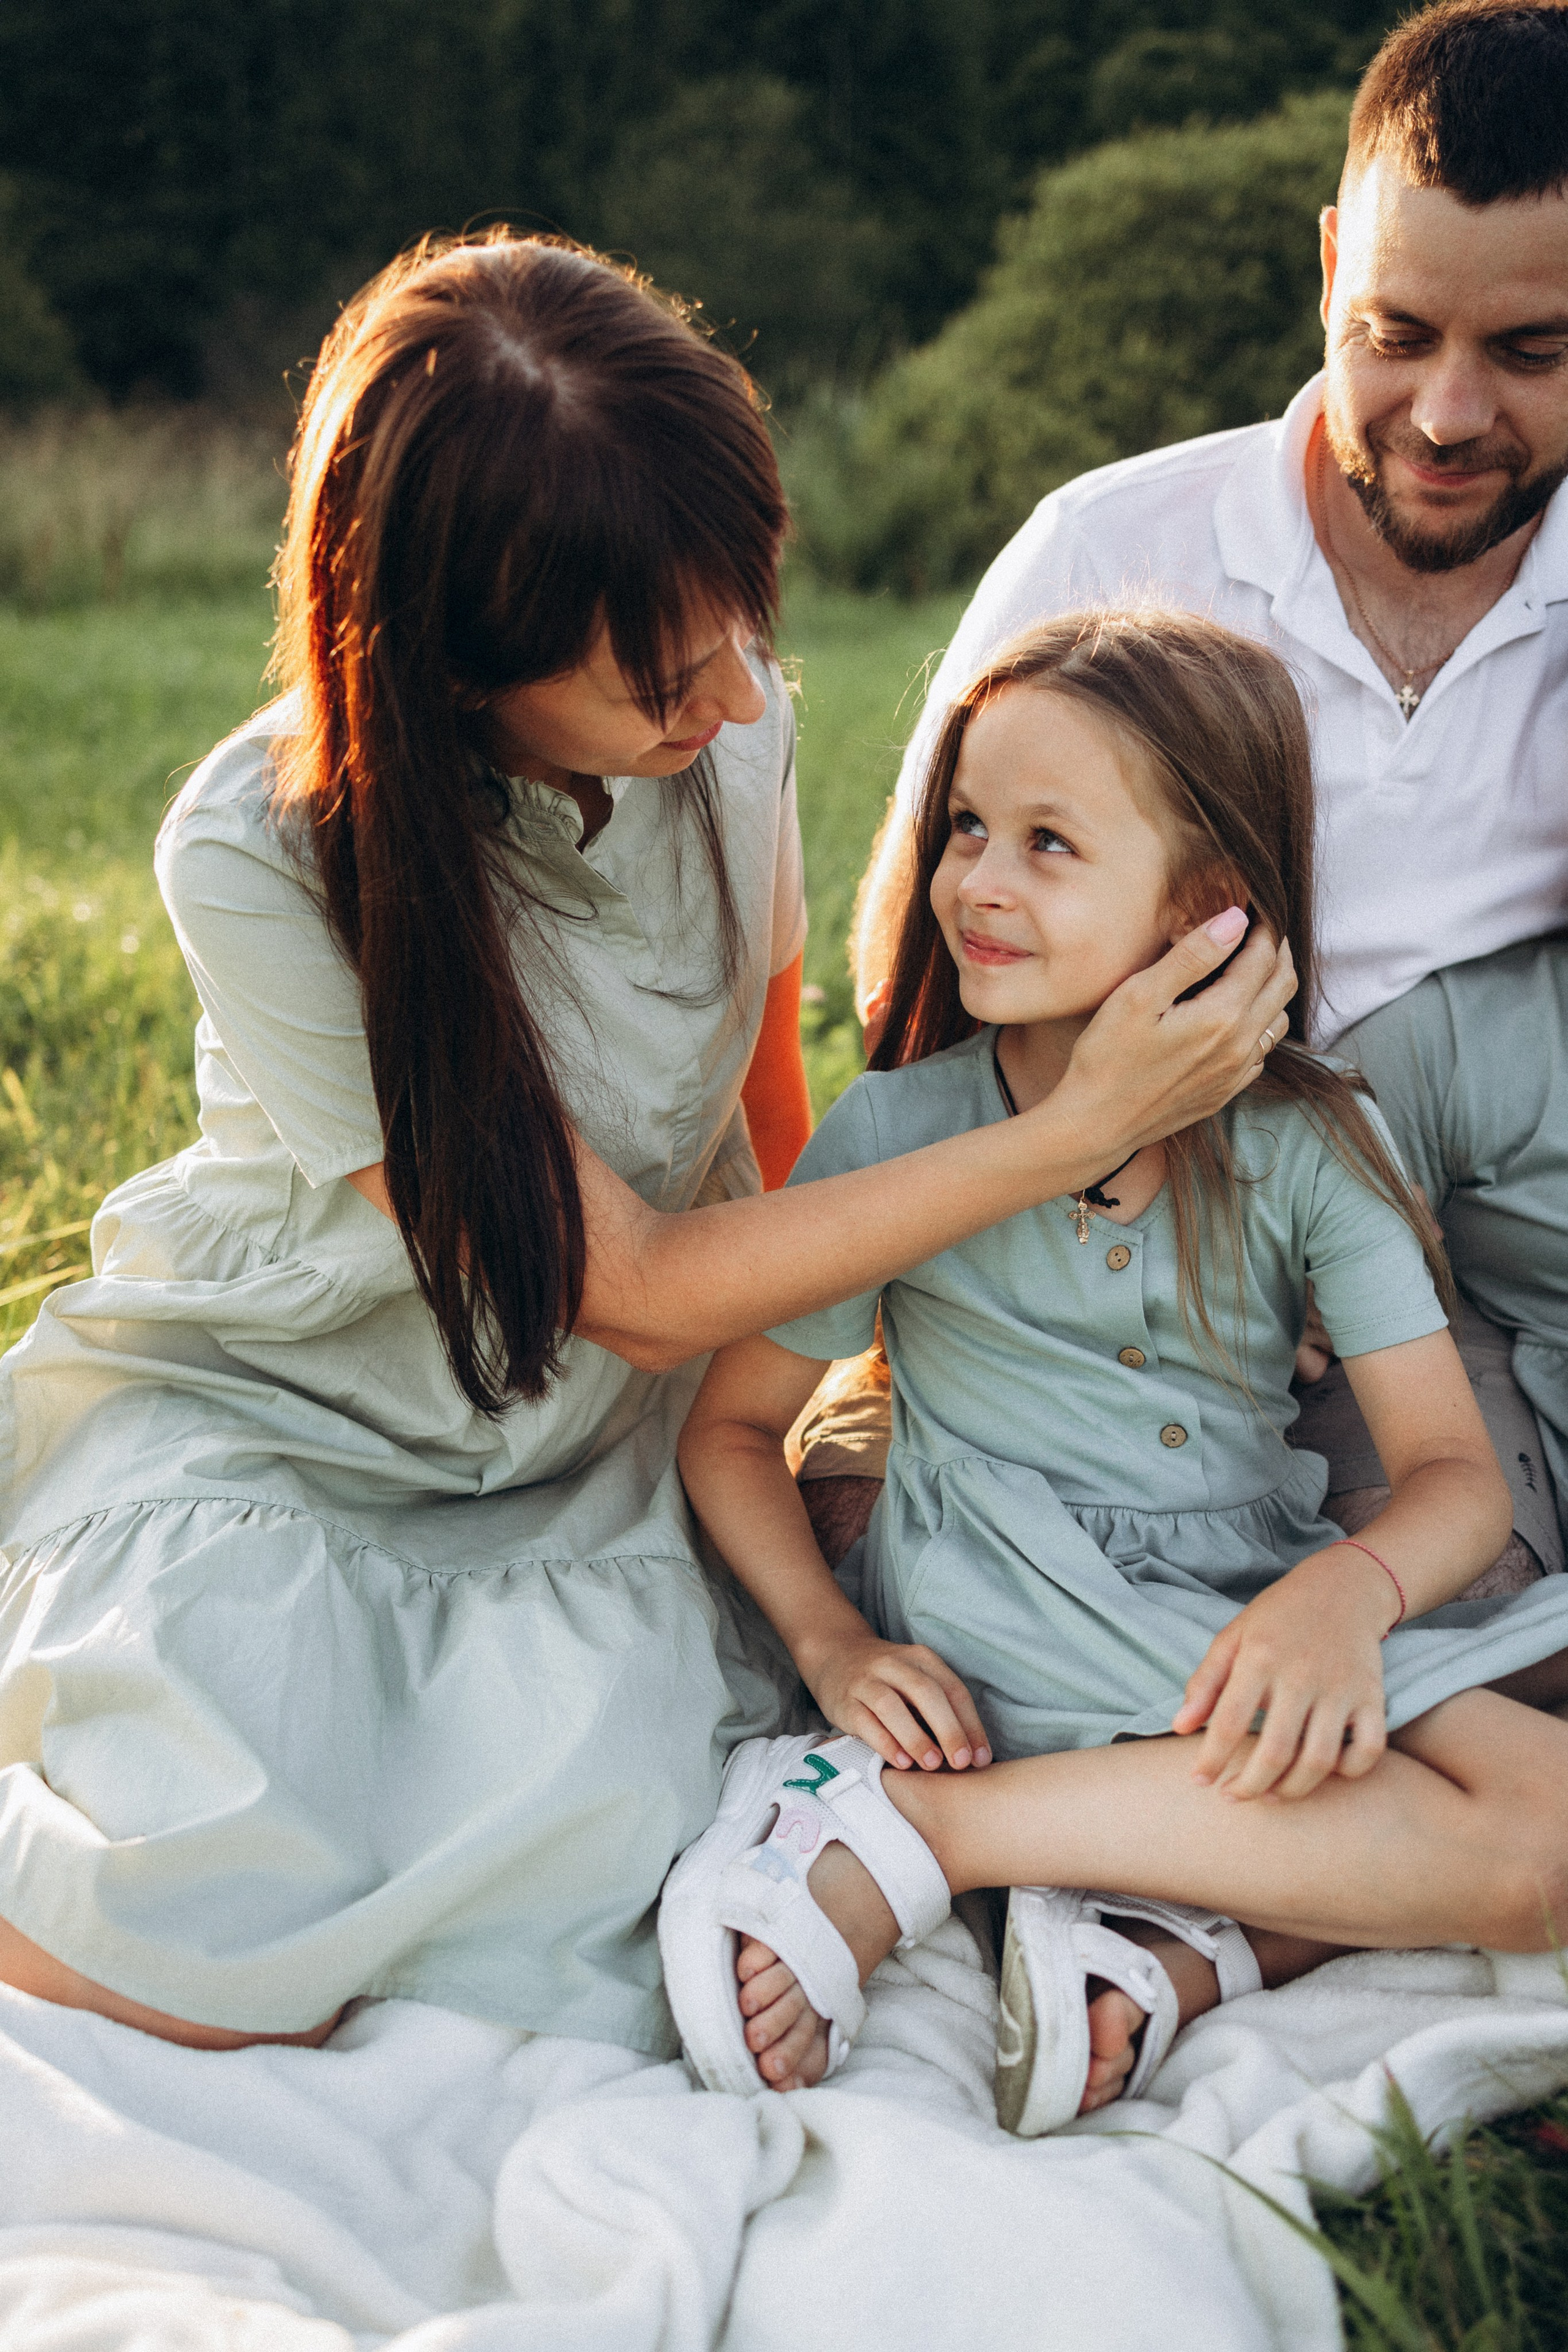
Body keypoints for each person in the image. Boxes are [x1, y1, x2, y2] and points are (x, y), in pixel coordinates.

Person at [0, 235, 1293, 2056]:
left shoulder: (731, 737)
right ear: (452, 670)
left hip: (607, 1438)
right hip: (300, 1413)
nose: (739, 703)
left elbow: (762, 1115)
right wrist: (1076, 1125)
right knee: (187, 1927)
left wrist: (854, 1389)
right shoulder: (261, 851)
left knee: (605, 1862)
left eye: (735, 631)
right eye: (661, 680)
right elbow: (627, 1286)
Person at [663, 611, 1568, 2132]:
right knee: (1515, 1859)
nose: (976, 881)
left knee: (1548, 1827)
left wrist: (1342, 1597)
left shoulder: (1304, 1139)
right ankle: (915, 1830)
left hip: (1245, 1593)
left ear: (1206, 910)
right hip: (1010, 1598)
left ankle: (1168, 1930)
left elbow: (1450, 1477)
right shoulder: (901, 1137)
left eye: (1047, 844)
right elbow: (734, 1432)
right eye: (965, 827)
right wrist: (831, 1649)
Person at [805, 0, 1568, 1574]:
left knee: (1434, 1614)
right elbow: (912, 971)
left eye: (1528, 352)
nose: (1444, 416)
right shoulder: (1108, 548)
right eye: (1393, 334)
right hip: (1103, 1256)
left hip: (1438, 1263)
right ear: (1326, 272)